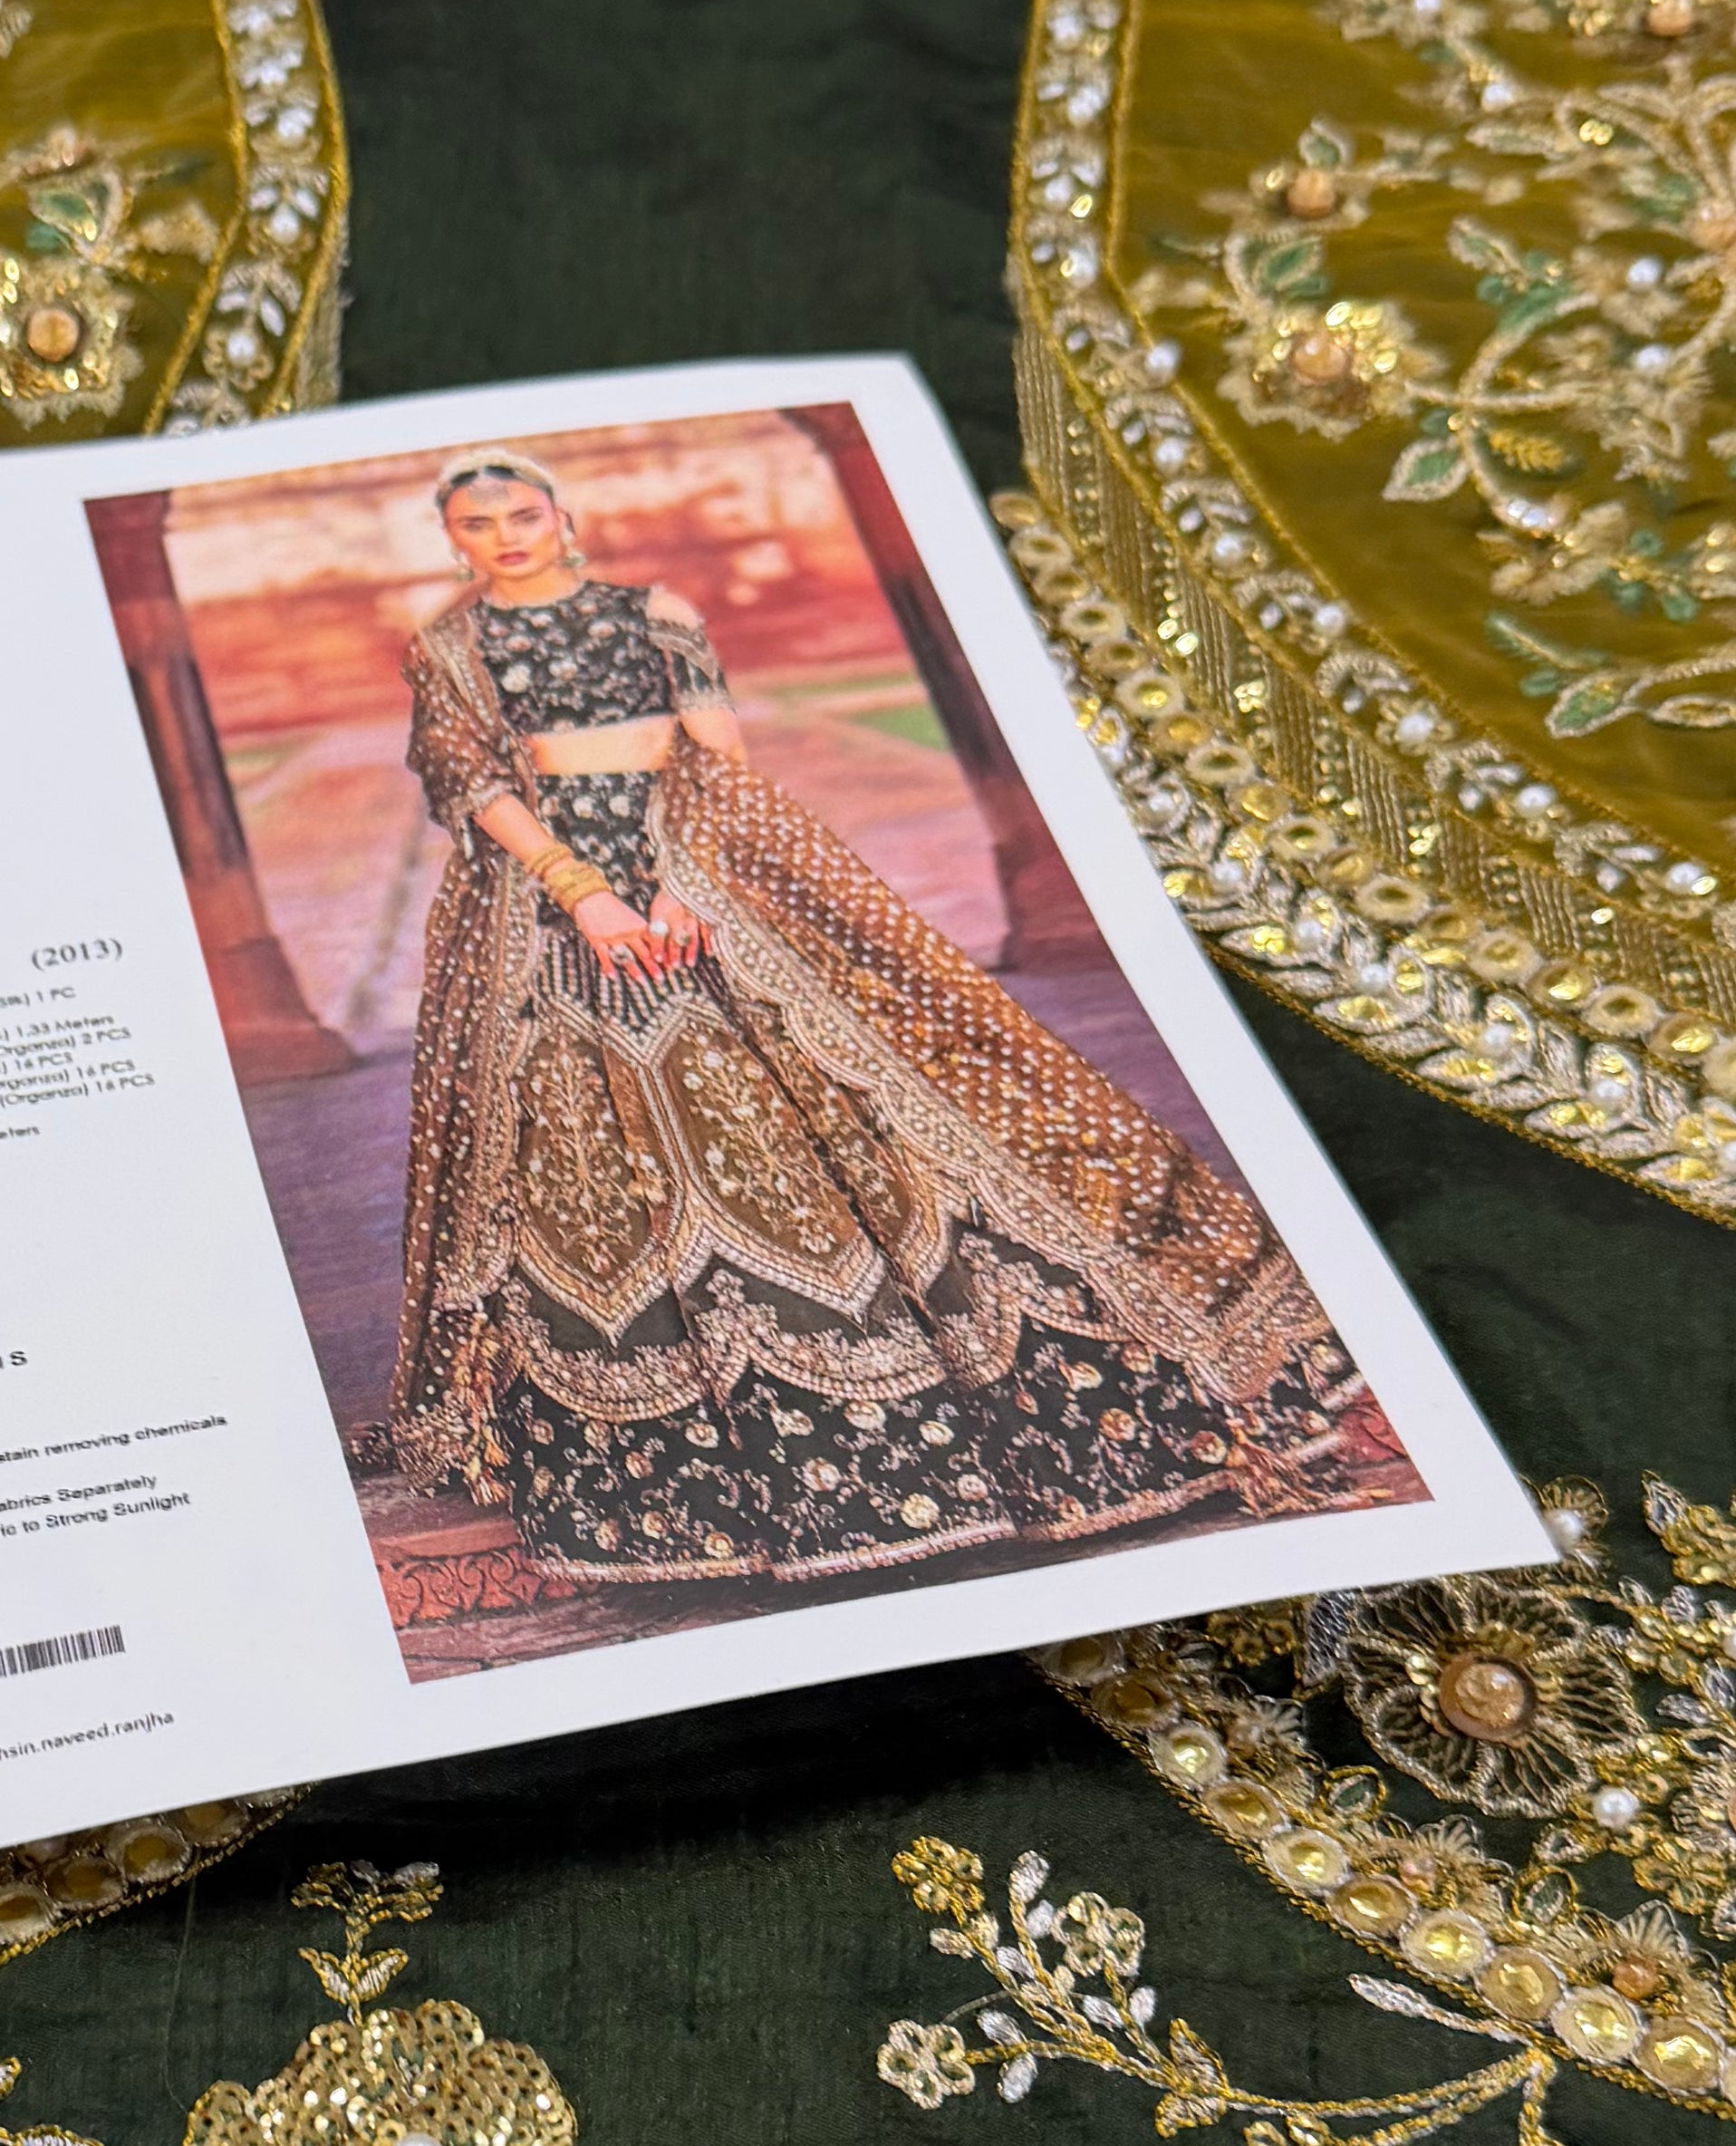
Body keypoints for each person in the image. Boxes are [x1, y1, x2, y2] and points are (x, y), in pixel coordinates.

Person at [389, 450, 1397, 1584]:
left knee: (881, 1085)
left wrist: (679, 886)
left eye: (523, 513)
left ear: (561, 516)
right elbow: (471, 782)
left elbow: (715, 749)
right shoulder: (447, 649)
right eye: (479, 523)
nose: (507, 536)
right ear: (455, 540)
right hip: (546, 899)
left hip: (705, 859)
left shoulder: (655, 611)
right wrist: (586, 895)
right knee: (576, 1137)